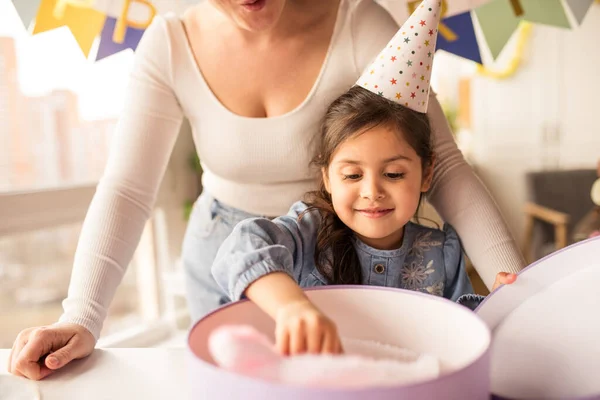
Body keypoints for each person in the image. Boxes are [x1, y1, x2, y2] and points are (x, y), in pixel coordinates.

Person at [8, 0, 524, 380]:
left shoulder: (357, 20)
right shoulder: (169, 43)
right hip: (225, 256)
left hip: (331, 250)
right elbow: (127, 189)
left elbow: (447, 163)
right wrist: (81, 315)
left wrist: (518, 286)